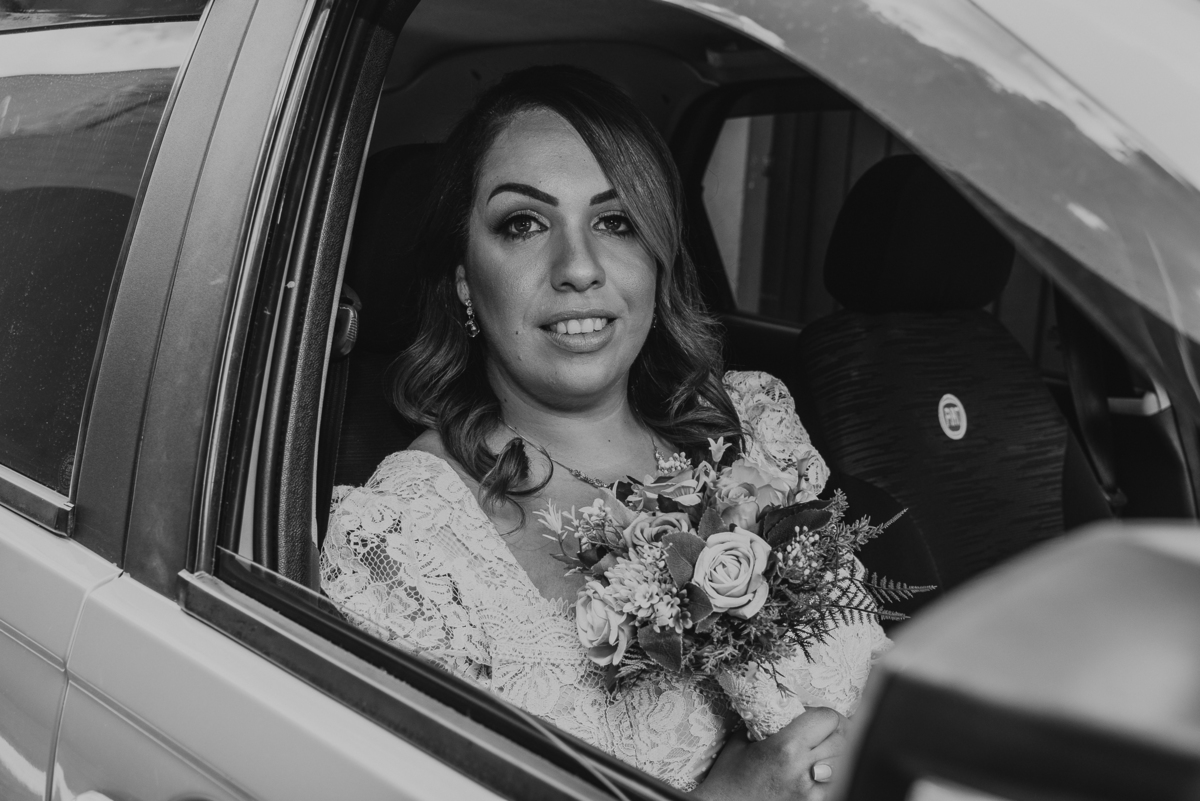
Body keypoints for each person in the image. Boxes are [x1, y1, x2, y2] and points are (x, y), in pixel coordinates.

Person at [320, 66, 888, 799]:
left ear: (656, 259)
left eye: (616, 222)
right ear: (464, 279)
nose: (579, 267)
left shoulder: (752, 429)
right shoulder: (402, 543)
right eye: (524, 224)